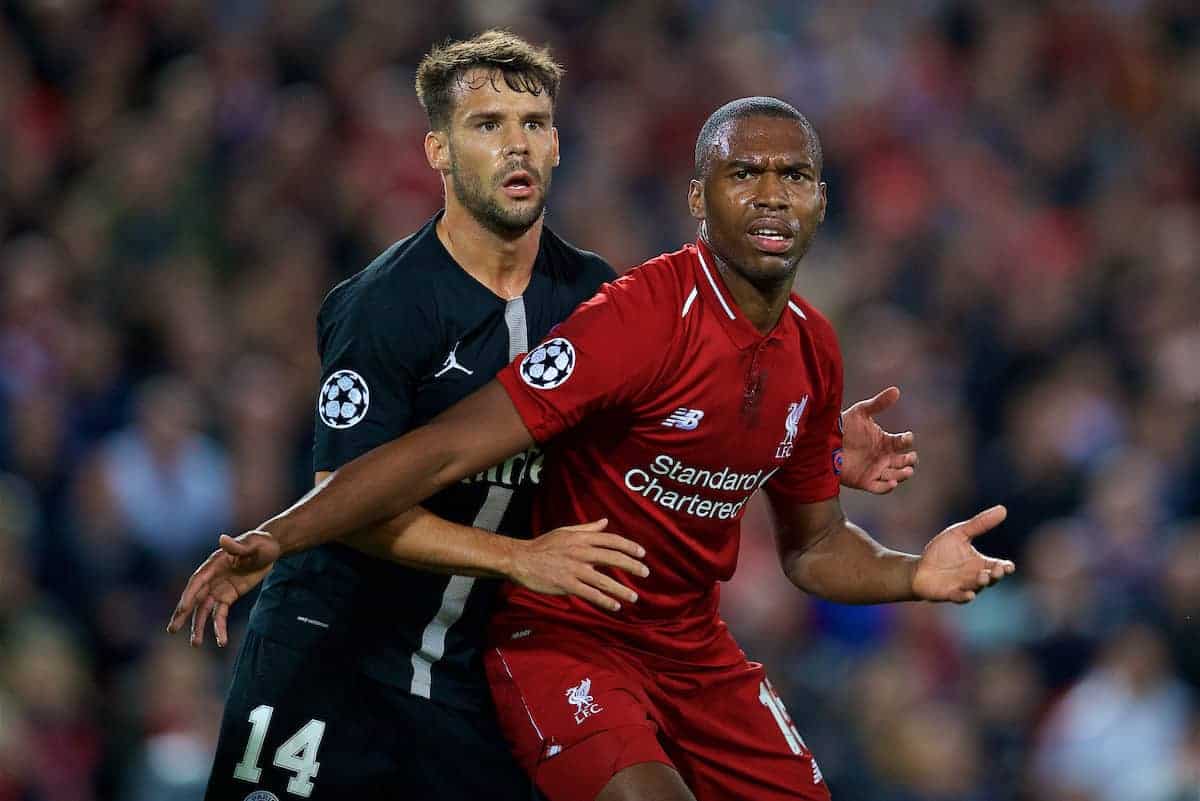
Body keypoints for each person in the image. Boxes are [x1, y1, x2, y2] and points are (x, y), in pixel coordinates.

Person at [170, 33, 919, 801]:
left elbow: (663, 436)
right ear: (438, 149)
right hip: (334, 653)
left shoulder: (592, 295)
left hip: (465, 678)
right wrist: (512, 558)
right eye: (487, 124)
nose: (515, 145)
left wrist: (806, 442)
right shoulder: (385, 307)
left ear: (558, 145)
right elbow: (354, 500)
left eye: (533, 122)